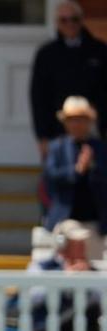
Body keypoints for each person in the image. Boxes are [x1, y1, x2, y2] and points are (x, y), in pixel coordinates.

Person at [26, 219, 102, 331]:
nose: (82, 247)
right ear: (63, 243)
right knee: (61, 326)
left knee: (95, 319)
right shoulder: (43, 267)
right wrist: (65, 278)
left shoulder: (92, 271)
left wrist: (88, 279)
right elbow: (32, 297)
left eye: (83, 242)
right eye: (77, 242)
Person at [30, 1, 107, 157]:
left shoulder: (99, 51)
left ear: (82, 20)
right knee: (60, 174)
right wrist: (42, 136)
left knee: (96, 173)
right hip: (58, 130)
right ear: (57, 23)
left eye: (74, 19)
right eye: (64, 20)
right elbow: (39, 98)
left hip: (94, 129)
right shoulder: (47, 55)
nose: (70, 24)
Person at [42, 96, 107, 260]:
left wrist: (92, 167)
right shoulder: (57, 148)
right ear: (65, 123)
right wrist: (77, 170)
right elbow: (51, 177)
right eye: (71, 120)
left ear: (89, 122)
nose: (76, 124)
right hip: (66, 220)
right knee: (70, 262)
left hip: (94, 222)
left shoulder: (99, 148)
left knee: (93, 275)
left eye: (81, 119)